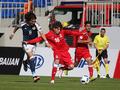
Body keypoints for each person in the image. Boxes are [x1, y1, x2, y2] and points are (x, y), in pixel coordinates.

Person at [9, 12, 52, 82]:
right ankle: (34, 76)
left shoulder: (36, 24)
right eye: (32, 21)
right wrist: (12, 34)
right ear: (28, 20)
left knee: (29, 59)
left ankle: (25, 62)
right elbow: (16, 27)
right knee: (32, 57)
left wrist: (47, 42)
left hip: (33, 44)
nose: (33, 22)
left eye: (34, 21)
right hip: (25, 44)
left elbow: (42, 34)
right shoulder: (23, 24)